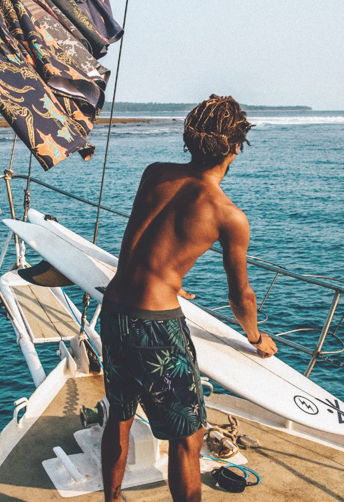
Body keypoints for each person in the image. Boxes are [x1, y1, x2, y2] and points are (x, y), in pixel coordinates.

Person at [99, 94, 278, 502]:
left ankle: (113, 499)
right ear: (236, 147)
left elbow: (151, 245)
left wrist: (172, 281)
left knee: (121, 415)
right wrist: (254, 336)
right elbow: (241, 296)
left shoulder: (155, 173)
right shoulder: (227, 214)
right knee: (188, 437)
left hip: (115, 310)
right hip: (156, 327)